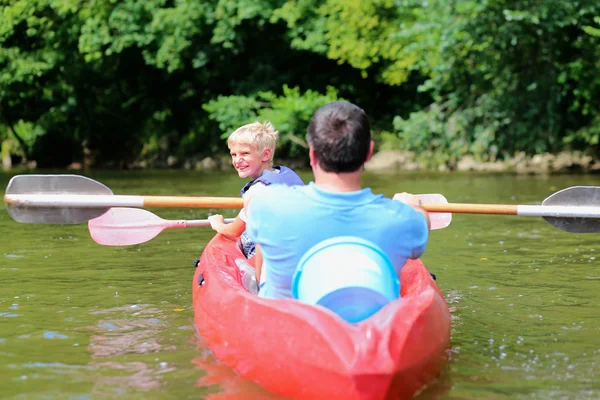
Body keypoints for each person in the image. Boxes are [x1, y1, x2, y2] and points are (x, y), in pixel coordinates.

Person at [246, 101, 431, 299]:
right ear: (368, 152)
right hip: (367, 323)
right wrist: (414, 207)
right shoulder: (404, 219)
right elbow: (421, 229)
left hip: (287, 323)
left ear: (312, 153)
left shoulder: (267, 206)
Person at [208, 121, 304, 276]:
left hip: (274, 258)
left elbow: (233, 231)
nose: (237, 160)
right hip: (297, 247)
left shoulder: (257, 191)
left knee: (246, 237)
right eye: (234, 154)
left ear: (265, 155)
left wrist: (217, 223)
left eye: (245, 153)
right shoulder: (285, 173)